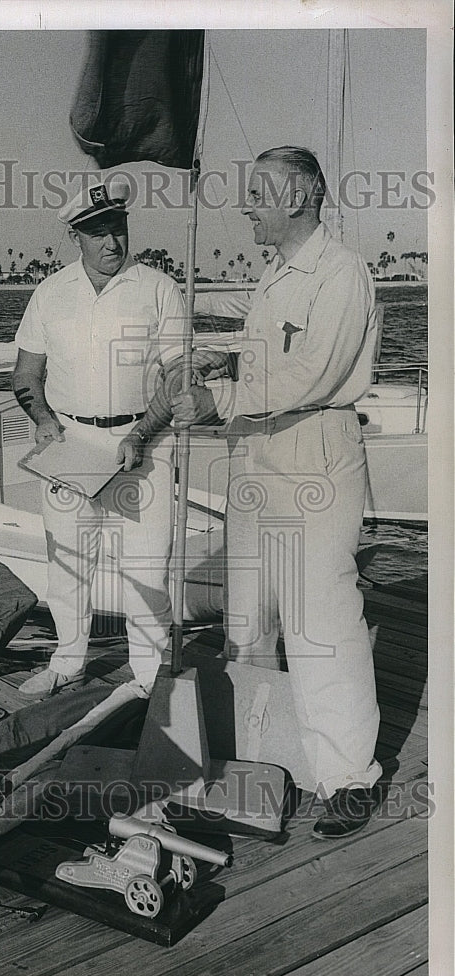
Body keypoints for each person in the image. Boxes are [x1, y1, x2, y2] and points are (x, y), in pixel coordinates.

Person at [171, 147, 382, 839]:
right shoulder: (275, 274)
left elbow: (314, 377)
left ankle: (348, 778)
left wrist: (217, 395)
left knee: (321, 624)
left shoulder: (340, 272)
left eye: (258, 190)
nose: (245, 203)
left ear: (299, 197)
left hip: (313, 461)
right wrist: (225, 358)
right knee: (247, 622)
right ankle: (261, 761)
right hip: (257, 461)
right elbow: (278, 360)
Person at [12, 179, 186, 697]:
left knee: (147, 568)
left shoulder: (158, 288)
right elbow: (26, 374)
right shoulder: (50, 292)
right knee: (67, 562)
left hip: (144, 447)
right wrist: (44, 422)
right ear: (76, 236)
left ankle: (152, 678)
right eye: (98, 233)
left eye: (118, 229)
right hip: (70, 444)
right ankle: (67, 663)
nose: (111, 242)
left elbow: (179, 377)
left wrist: (142, 432)